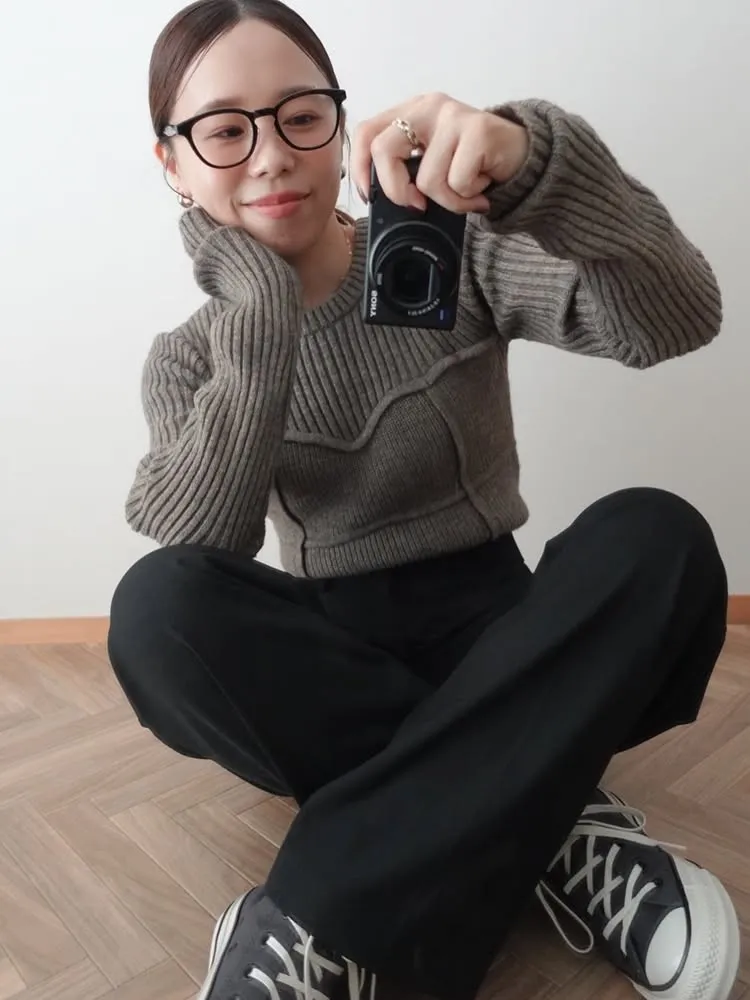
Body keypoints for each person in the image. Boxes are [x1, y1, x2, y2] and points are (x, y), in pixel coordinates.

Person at [107, 1, 739, 999]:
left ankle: (319, 908)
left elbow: (678, 317)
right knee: (155, 606)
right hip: (331, 672)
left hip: (506, 633)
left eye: (299, 116)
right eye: (225, 131)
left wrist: (537, 163)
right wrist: (261, 311)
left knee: (657, 534)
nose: (271, 155)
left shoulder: (450, 254)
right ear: (173, 163)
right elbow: (203, 541)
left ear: (339, 123)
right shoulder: (188, 358)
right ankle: (552, 812)